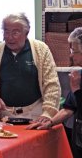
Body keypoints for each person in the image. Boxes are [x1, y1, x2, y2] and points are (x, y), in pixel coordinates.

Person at [0, 13, 61, 123]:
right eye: (6, 31)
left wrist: (48, 112)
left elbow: (52, 85)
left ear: (26, 33)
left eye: (15, 32)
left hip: (36, 114)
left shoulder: (41, 50)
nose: (9, 37)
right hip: (3, 116)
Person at [26, 27, 82, 158]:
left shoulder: (77, 82)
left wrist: (77, 91)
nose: (71, 55)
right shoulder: (80, 76)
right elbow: (69, 108)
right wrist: (49, 122)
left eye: (74, 51)